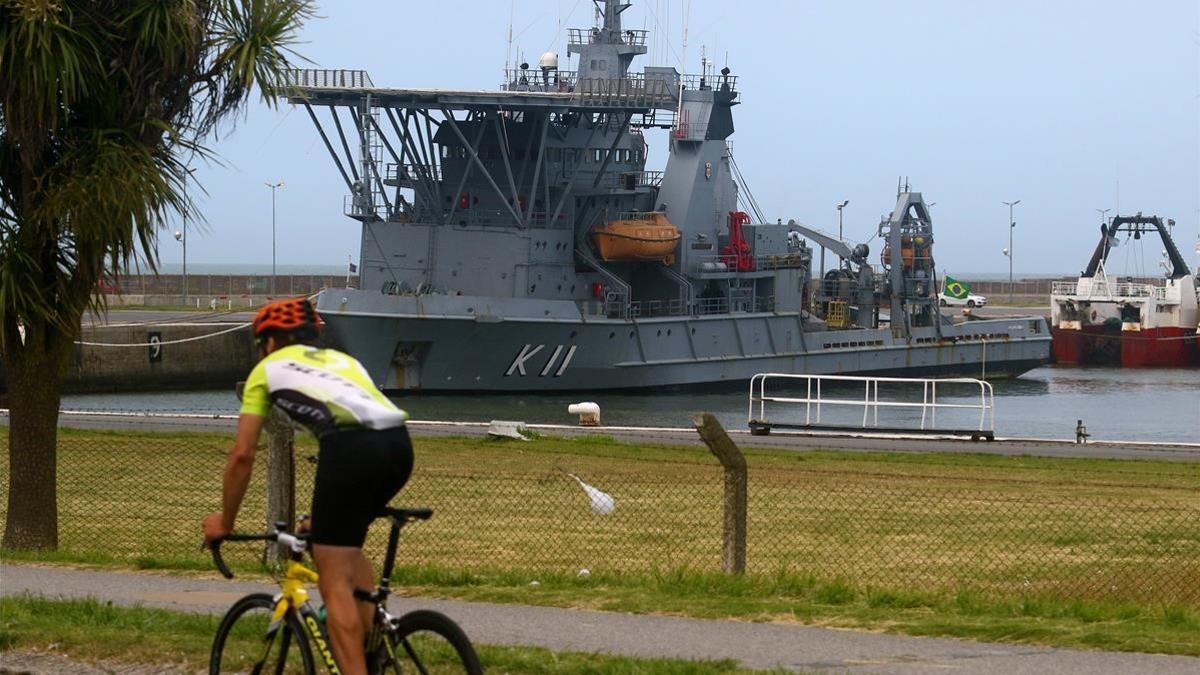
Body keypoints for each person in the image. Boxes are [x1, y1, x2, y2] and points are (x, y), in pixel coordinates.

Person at [202, 297, 412, 675]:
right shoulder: (343, 360)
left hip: (349, 449)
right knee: (341, 543)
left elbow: (242, 455)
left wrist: (226, 522)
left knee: (333, 584)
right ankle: (371, 649)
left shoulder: (265, 371)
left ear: (268, 342)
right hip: (399, 446)